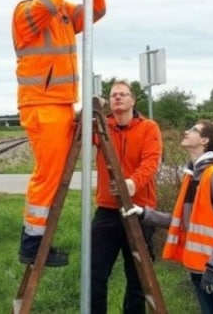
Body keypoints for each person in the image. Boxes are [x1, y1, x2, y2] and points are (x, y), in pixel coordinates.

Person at [11, 0, 106, 266]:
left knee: (54, 175)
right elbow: (48, 4)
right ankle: (31, 244)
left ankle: (37, 240)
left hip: (61, 103)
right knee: (48, 175)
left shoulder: (61, 10)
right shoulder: (25, 12)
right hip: (42, 105)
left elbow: (96, 13)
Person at [123, 120, 213, 314]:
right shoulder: (193, 176)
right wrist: (144, 213)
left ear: (204, 140)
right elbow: (184, 221)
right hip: (200, 267)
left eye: (194, 130)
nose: (186, 131)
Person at [91, 79, 162, 313]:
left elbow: (152, 161)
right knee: (95, 275)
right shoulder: (101, 127)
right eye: (113, 95)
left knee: (137, 280)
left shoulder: (148, 127)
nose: (118, 98)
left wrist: (133, 183)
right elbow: (76, 133)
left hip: (139, 211)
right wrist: (90, 111)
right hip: (107, 211)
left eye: (123, 94)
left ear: (133, 100)